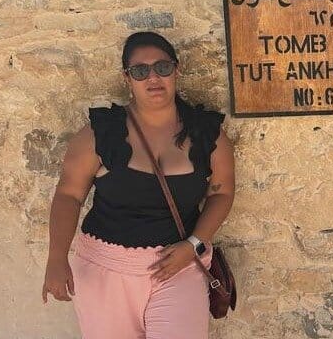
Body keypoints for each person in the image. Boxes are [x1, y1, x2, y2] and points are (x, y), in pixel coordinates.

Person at [42, 31, 235, 339]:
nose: (153, 77)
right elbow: (69, 195)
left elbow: (221, 192)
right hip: (106, 269)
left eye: (162, 67)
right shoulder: (101, 134)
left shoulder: (206, 134)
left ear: (176, 70)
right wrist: (56, 258)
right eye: (140, 71)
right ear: (127, 77)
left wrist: (194, 244)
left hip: (179, 266)